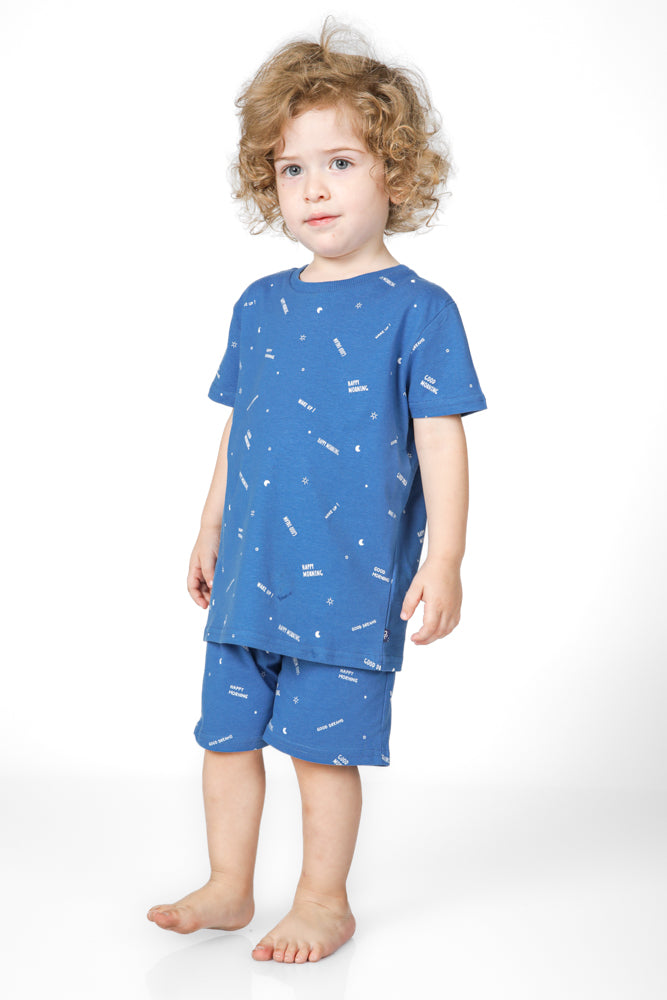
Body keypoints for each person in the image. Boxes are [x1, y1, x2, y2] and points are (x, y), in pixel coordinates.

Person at [146, 17, 487, 963]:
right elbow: (240, 426)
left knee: (321, 748)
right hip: (249, 570)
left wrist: (446, 559)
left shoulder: (420, 309)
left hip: (348, 579)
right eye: (292, 169)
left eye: (340, 162)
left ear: (396, 173)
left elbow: (442, 440)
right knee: (225, 736)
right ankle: (227, 886)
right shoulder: (259, 304)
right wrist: (207, 526)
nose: (314, 188)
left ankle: (323, 901)